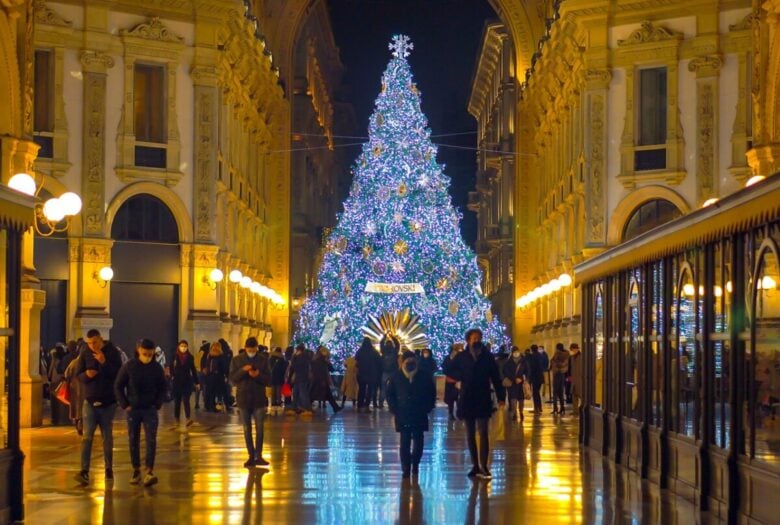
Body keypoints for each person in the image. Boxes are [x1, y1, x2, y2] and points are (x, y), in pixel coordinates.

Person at [449, 329, 506, 480]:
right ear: (468, 340)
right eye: (474, 338)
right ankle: (475, 465)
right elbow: (448, 369)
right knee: (470, 433)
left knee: (483, 432)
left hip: (482, 397)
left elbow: (496, 377)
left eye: (478, 338)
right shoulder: (462, 356)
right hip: (467, 397)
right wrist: (460, 378)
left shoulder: (488, 357)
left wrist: (501, 397)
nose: (476, 340)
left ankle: (484, 466)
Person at [114, 338, 167, 487]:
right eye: (145, 354)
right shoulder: (129, 366)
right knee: (133, 439)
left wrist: (158, 403)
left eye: (150, 354)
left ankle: (149, 470)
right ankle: (136, 469)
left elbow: (163, 387)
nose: (147, 357)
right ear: (138, 351)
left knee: (151, 439)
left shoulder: (156, 368)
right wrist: (124, 404)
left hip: (150, 408)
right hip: (134, 409)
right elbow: (118, 385)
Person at [75, 329, 123, 485]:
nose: (92, 346)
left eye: (94, 342)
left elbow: (118, 374)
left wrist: (104, 362)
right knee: (87, 436)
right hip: (90, 400)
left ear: (100, 339)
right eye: (89, 343)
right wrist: (86, 375)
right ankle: (84, 470)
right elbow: (78, 374)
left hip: (108, 401)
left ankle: (108, 468)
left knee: (106, 436)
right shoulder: (85, 352)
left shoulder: (112, 351)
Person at [386, 350, 436, 479]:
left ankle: (415, 464)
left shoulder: (423, 376)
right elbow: (390, 394)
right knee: (405, 441)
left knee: (418, 440)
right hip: (403, 413)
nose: (409, 363)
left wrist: (427, 407)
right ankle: (406, 467)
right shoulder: (396, 376)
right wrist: (395, 409)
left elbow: (431, 393)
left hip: (419, 412)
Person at [230, 337, 271, 468]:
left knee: (260, 428)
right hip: (243, 398)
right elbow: (232, 379)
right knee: (246, 429)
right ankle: (251, 456)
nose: (251, 352)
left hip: (258, 398)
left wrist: (258, 375)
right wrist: (243, 370)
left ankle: (259, 455)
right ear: (245, 348)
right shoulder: (237, 360)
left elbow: (269, 379)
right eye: (249, 350)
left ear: (256, 348)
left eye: (253, 350)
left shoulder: (263, 360)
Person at [170, 339, 199, 428]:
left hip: (187, 381)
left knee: (186, 400)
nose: (183, 348)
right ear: (178, 347)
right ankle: (176, 418)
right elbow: (171, 367)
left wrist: (197, 382)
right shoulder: (174, 356)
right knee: (177, 401)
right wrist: (172, 376)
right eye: (182, 346)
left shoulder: (190, 357)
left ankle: (188, 418)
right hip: (177, 381)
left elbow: (193, 369)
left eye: (185, 346)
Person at [310, 346, 342, 414]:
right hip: (321, 380)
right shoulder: (322, 361)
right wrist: (323, 380)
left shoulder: (316, 360)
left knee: (326, 394)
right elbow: (327, 370)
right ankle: (306, 406)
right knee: (314, 394)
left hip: (317, 380)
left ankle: (336, 407)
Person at [62, 340, 85, 434]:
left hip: (74, 389)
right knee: (84, 408)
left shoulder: (74, 362)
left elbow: (66, 374)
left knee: (76, 408)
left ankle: (78, 424)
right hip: (85, 390)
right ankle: (83, 424)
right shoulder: (88, 363)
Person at [355, 337, 382, 413]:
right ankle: (367, 406)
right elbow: (379, 361)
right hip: (371, 374)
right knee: (369, 391)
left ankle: (359, 406)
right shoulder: (374, 351)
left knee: (361, 390)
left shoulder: (360, 351)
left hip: (361, 374)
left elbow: (356, 361)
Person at [502, 346, 528, 421]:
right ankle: (515, 413)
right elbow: (506, 372)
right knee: (513, 398)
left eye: (517, 352)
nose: (516, 353)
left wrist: (522, 379)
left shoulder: (523, 361)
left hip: (521, 383)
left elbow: (527, 371)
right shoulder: (508, 362)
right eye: (514, 352)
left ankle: (521, 412)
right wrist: (514, 379)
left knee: (521, 399)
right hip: (512, 383)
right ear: (512, 353)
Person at [288, 344, 312, 413]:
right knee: (297, 393)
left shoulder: (300, 358)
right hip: (301, 378)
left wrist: (293, 358)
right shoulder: (305, 357)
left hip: (300, 378)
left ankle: (305, 408)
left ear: (298, 350)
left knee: (301, 393)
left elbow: (295, 366)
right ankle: (297, 407)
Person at [203, 342, 227, 412]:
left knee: (210, 392)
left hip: (211, 377)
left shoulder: (209, 356)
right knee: (218, 393)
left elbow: (207, 365)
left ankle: (209, 405)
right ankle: (215, 406)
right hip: (217, 377)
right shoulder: (220, 356)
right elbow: (224, 367)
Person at [442, 344, 462, 420]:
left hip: (459, 381)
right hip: (450, 382)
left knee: (459, 398)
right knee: (451, 399)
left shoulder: (461, 358)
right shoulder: (447, 359)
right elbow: (445, 370)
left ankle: (459, 413)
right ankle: (451, 413)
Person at [379, 336, 400, 409]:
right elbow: (397, 344)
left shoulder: (383, 351)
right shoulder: (395, 351)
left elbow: (381, 343)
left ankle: (381, 403)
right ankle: (392, 403)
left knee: (383, 388)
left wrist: (385, 336)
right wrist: (393, 337)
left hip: (385, 371)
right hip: (393, 371)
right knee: (393, 388)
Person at [551, 343, 570, 415]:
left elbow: (555, 363)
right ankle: (562, 408)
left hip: (557, 374)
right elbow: (565, 364)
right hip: (562, 374)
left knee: (555, 392)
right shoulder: (566, 354)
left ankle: (555, 408)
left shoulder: (558, 354)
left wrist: (554, 364)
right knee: (560, 392)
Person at [526, 345, 545, 414]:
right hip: (540, 377)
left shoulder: (533, 357)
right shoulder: (540, 355)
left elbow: (532, 368)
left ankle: (536, 408)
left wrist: (530, 379)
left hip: (535, 378)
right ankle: (539, 408)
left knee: (535, 393)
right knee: (537, 393)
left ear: (532, 350)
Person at [269, 347, 287, 414]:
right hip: (280, 377)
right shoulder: (282, 359)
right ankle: (278, 402)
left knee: (273, 390)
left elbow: (269, 367)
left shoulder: (271, 359)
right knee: (278, 390)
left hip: (272, 377)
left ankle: (273, 403)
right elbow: (284, 368)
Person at [194, 341, 209, 410]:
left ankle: (196, 403)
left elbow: (195, 363)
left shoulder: (198, 353)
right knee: (205, 387)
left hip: (198, 372)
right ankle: (205, 402)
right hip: (203, 372)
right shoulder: (206, 354)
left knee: (198, 388)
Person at [569, 343, 583, 415]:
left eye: (574, 349)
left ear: (577, 349)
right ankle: (575, 410)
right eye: (572, 349)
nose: (573, 351)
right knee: (574, 395)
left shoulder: (582, 357)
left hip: (580, 379)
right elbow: (570, 369)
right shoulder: (571, 357)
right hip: (574, 379)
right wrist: (569, 378)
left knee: (581, 395)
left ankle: (582, 409)